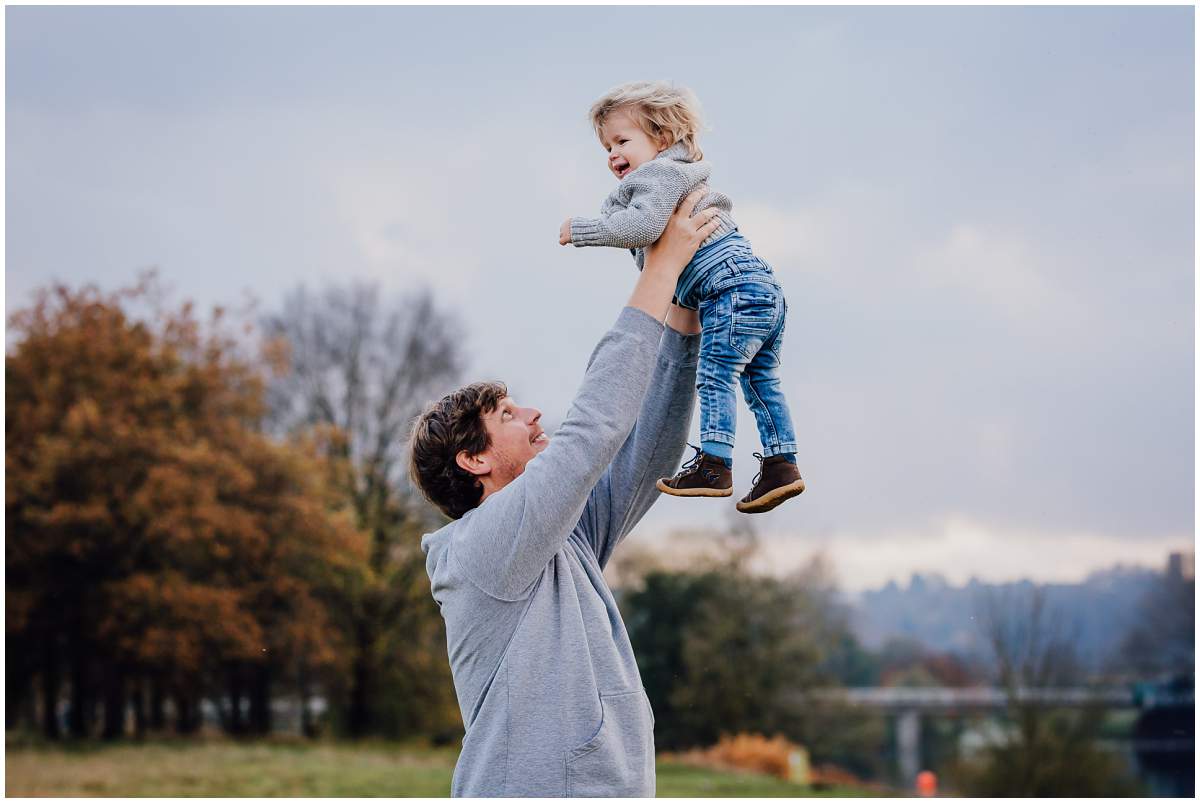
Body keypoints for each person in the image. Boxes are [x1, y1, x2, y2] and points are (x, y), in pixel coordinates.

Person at [409, 191, 721, 797]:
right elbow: (593, 429)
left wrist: (683, 316)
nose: (531, 413)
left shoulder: (560, 539)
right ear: (475, 460)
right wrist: (660, 268)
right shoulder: (485, 546)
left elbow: (645, 453)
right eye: (505, 413)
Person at [560, 80, 805, 513]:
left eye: (622, 141)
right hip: (763, 290)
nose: (613, 154)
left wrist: (582, 230)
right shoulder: (684, 174)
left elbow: (641, 228)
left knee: (714, 375)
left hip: (728, 291)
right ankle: (781, 464)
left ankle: (714, 462)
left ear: (663, 138)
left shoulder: (659, 175)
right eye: (606, 148)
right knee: (761, 380)